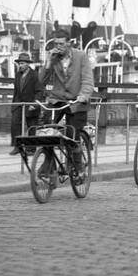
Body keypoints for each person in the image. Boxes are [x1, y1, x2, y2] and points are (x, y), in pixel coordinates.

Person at [38, 26, 95, 173]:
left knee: (72, 135)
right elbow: (40, 81)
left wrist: (84, 95)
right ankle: (48, 164)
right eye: (56, 44)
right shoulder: (54, 58)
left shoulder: (81, 56)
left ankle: (78, 168)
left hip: (77, 101)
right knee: (46, 131)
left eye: (61, 44)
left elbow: (88, 80)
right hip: (58, 100)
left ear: (69, 43)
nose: (58, 47)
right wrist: (48, 62)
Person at [7, 52, 41, 155]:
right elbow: (16, 90)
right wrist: (14, 105)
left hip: (30, 103)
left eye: (22, 63)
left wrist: (34, 104)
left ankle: (31, 149)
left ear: (27, 64)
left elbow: (39, 91)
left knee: (31, 126)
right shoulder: (18, 75)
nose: (20, 65)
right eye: (19, 63)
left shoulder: (34, 75)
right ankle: (17, 146)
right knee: (15, 124)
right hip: (18, 103)